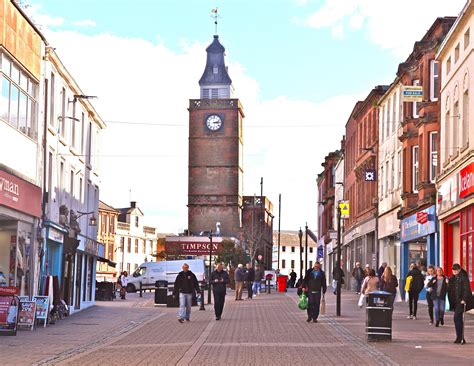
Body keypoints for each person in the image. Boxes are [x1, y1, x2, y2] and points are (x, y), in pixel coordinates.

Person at [448, 263, 473, 344]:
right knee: (458, 319)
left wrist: (464, 299)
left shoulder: (463, 277)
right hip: (455, 301)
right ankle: (460, 337)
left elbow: (467, 289)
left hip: (461, 301)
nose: (454, 271)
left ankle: (460, 337)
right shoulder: (453, 278)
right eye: (453, 270)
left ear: (459, 269)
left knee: (456, 318)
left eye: (456, 269)